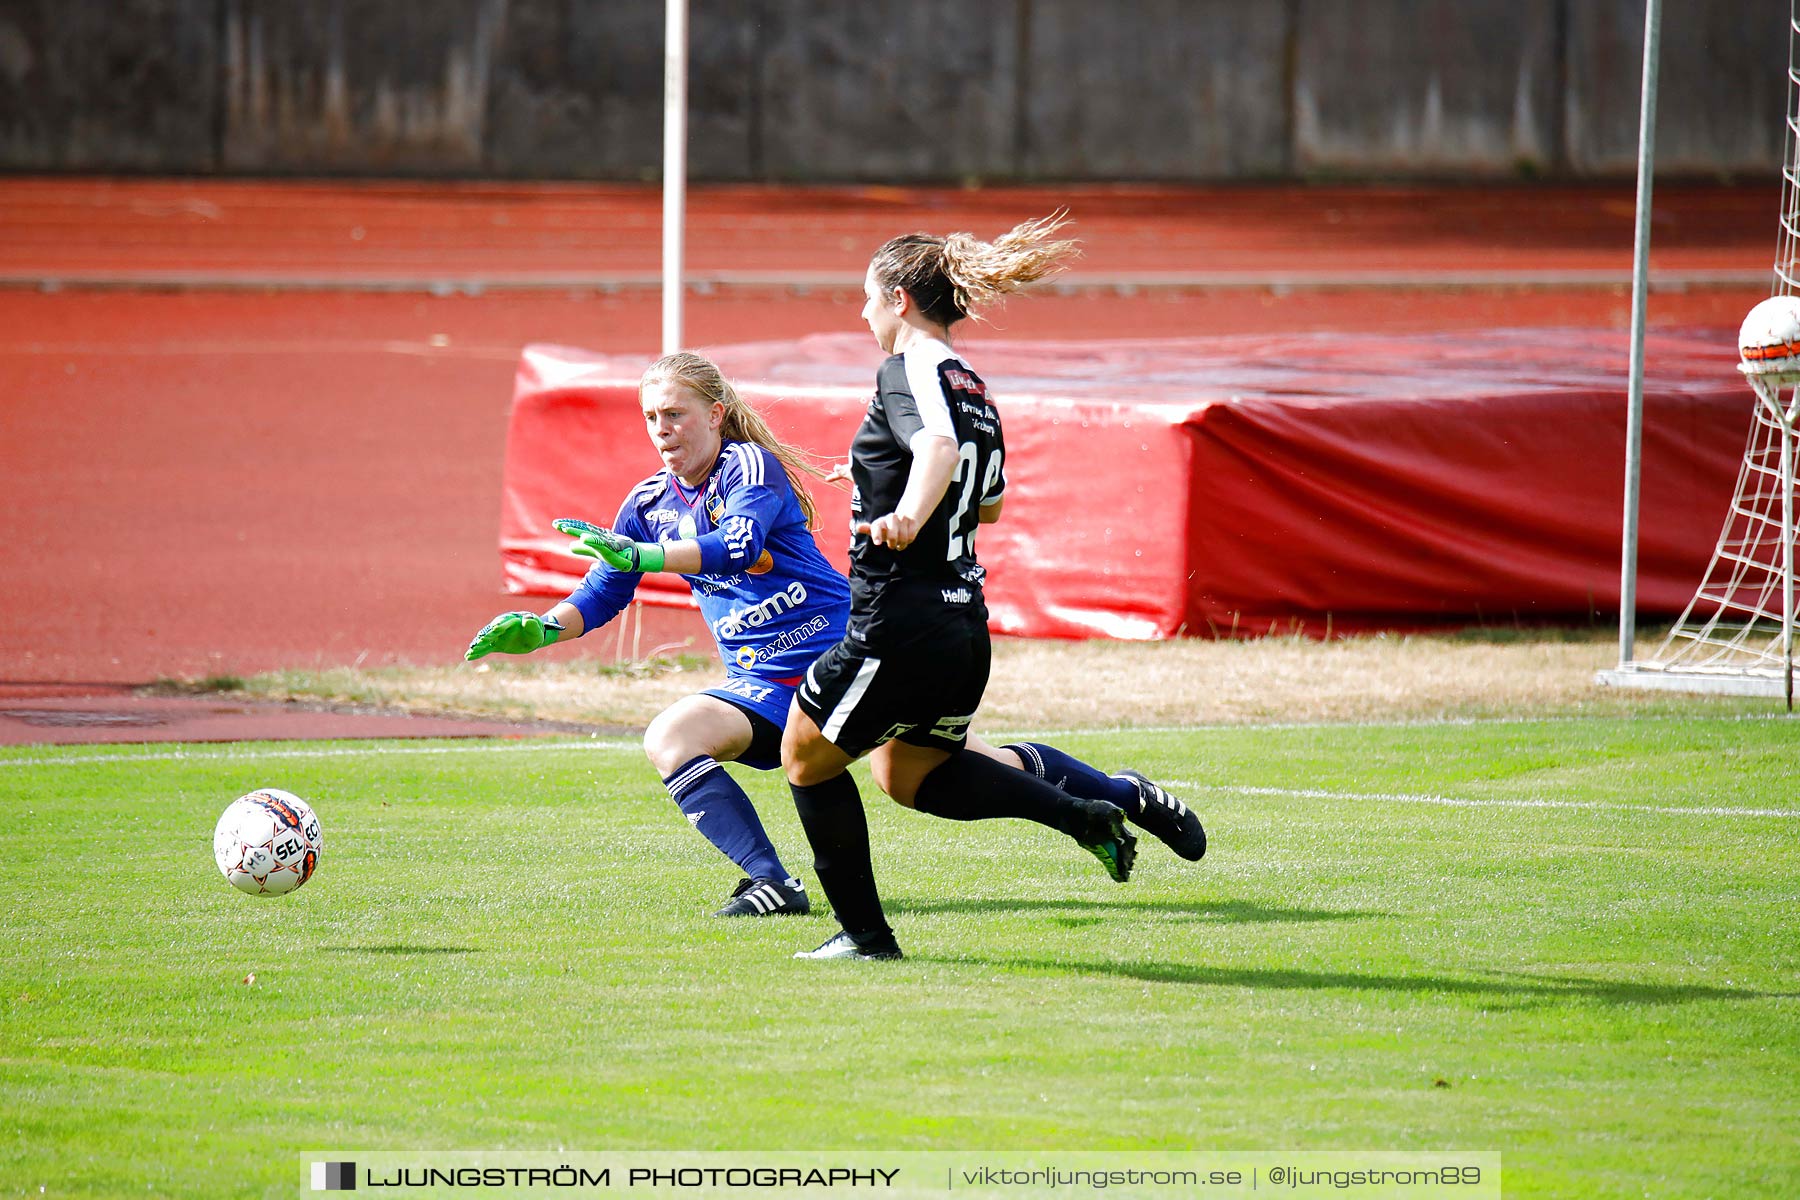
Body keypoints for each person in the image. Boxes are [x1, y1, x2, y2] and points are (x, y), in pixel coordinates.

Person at [783, 214, 1207, 962]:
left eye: (868, 298)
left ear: (901, 299)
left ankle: (867, 935)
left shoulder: (911, 366)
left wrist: (907, 513)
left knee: (805, 758)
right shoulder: (973, 385)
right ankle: (1107, 802)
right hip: (961, 622)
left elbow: (938, 448)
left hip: (898, 618)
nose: (864, 314)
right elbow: (991, 503)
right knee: (910, 775)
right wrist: (881, 480)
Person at [466, 351, 849, 918]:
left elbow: (738, 544)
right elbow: (603, 592)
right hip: (762, 684)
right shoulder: (647, 502)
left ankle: (1036, 776)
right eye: (650, 418)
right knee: (671, 737)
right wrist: (544, 628)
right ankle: (771, 881)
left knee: (938, 777)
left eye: (674, 414)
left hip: (839, 655)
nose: (662, 430)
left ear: (716, 414)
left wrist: (646, 554)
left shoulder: (749, 466)